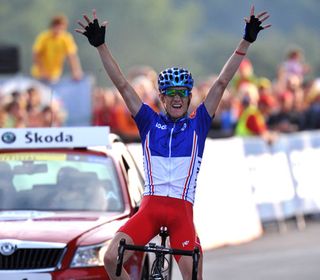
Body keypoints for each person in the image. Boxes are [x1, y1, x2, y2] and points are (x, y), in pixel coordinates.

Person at [76, 6, 270, 280]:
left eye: (182, 93)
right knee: (110, 258)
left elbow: (222, 82)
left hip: (181, 213)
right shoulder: (147, 121)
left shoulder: (197, 124)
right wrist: (101, 46)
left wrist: (246, 41)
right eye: (170, 94)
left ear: (189, 98)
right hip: (150, 209)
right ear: (162, 98)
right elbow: (121, 84)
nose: (177, 98)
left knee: (194, 277)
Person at [31, 14, 83, 83]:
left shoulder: (66, 38)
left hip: (55, 76)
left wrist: (76, 71)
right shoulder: (44, 37)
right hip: (39, 75)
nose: (59, 30)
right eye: (57, 27)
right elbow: (36, 54)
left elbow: (72, 56)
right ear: (52, 26)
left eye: (62, 28)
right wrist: (43, 71)